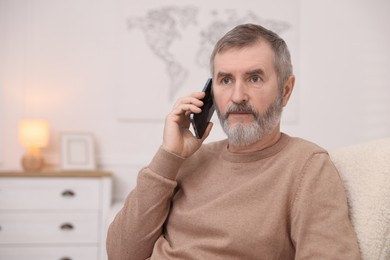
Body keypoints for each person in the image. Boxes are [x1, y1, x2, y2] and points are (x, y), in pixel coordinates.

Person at [107, 23, 361, 259]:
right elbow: (121, 253)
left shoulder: (308, 167)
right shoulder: (185, 160)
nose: (237, 96)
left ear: (285, 90)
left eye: (254, 78)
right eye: (226, 80)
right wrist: (168, 156)